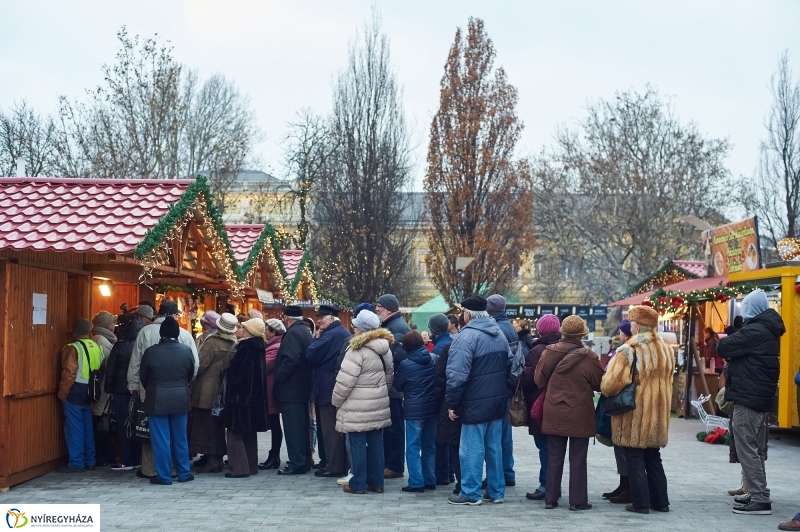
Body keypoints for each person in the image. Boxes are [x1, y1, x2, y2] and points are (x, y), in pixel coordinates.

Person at [601, 305, 674, 514]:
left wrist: (604, 382)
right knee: (653, 457)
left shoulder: (629, 350)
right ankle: (661, 502)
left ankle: (640, 503)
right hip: (658, 414)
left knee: (634, 457)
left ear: (638, 328)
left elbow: (611, 385)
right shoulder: (666, 350)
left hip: (634, 415)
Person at [717, 289, 784, 516]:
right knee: (754, 448)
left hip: (749, 397)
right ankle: (757, 492)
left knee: (747, 448)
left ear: (750, 309)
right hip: (757, 396)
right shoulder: (766, 329)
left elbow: (723, 347)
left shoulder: (755, 330)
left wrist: (735, 352)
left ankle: (760, 498)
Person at [445, 296, 514, 506]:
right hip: (497, 400)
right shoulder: (499, 333)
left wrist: (452, 403)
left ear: (467, 314)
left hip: (474, 402)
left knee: (471, 449)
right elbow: (510, 364)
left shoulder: (466, 337)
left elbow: (456, 375)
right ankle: (496, 491)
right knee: (494, 448)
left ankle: (470, 491)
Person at [535, 315, 604, 511]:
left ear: (562, 332)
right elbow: (600, 383)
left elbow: (539, 380)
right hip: (580, 411)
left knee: (554, 456)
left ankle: (550, 498)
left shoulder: (548, 353)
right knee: (578, 457)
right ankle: (578, 501)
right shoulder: (589, 357)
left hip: (554, 409)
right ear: (582, 335)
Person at [128, 300, 198, 479]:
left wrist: (139, 387)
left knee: (160, 438)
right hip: (181, 396)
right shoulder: (186, 345)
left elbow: (140, 370)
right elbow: (193, 369)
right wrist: (184, 383)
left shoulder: (149, 345)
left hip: (155, 396)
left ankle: (163, 476)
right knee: (180, 437)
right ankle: (183, 472)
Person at [332, 310, 394, 494]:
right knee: (376, 443)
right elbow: (389, 376)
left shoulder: (356, 349)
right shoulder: (384, 348)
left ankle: (358, 483)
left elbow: (345, 381)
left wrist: (336, 401)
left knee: (357, 443)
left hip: (356, 405)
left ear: (361, 328)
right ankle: (377, 482)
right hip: (378, 403)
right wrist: (380, 394)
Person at [306, 304, 352, 478]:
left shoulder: (331, 334)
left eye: (322, 318)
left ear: (332, 318)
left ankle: (334, 466)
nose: (318, 321)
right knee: (335, 428)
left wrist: (316, 338)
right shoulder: (341, 332)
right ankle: (335, 463)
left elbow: (311, 353)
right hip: (332, 386)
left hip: (328, 387)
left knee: (330, 429)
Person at [190, 313, 238, 473]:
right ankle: (214, 457)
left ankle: (212, 460)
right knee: (216, 425)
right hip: (222, 390)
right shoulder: (234, 343)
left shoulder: (212, 342)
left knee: (205, 425)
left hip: (205, 389)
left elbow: (200, 365)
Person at [520, 313, 561, 501]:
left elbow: (527, 379)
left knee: (544, 447)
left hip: (540, 404)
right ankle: (553, 485)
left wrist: (513, 378)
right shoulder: (563, 347)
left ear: (541, 330)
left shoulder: (537, 351)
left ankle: (546, 485)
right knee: (553, 447)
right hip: (559, 404)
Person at [224, 318, 269, 478]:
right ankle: (251, 465)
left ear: (250, 331)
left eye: (243, 328)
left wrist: (226, 372)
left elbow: (236, 372)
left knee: (235, 432)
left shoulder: (245, 347)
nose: (240, 330)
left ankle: (239, 468)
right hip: (255, 397)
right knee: (250, 433)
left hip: (240, 397)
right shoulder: (259, 347)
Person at [57, 319, 104, 473]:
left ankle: (76, 463)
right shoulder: (97, 347)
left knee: (75, 427)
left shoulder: (73, 348)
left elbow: (69, 373)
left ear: (75, 331)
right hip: (91, 391)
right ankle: (90, 460)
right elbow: (101, 369)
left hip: (75, 390)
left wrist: (63, 394)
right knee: (87, 427)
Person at [395, 331, 438, 493]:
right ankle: (430, 479)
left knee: (413, 446)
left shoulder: (405, 365)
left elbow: (398, 386)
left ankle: (416, 482)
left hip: (414, 410)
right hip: (432, 407)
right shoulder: (433, 359)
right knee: (429, 445)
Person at [486, 294, 522, 488]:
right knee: (505, 435)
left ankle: (499, 474)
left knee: (495, 435)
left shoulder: (496, 328)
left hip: (499, 385)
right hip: (510, 385)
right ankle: (508, 472)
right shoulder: (510, 327)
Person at [274, 305, 313, 475]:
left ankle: (297, 462)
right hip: (302, 387)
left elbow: (290, 359)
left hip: (292, 389)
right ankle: (304, 460)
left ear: (286, 318)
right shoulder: (304, 331)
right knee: (302, 427)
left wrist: (279, 377)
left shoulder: (293, 333)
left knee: (293, 428)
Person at [375, 293, 410, 479]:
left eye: (379, 306)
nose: (377, 309)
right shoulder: (391, 325)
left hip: (394, 387)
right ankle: (390, 463)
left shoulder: (396, 328)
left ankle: (395, 465)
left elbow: (397, 356)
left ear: (388, 309)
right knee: (390, 427)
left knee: (394, 427)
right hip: (391, 384)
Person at [105, 315, 145, 470]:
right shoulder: (143, 346)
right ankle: (137, 458)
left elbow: (111, 369)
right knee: (138, 424)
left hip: (120, 391)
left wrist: (108, 389)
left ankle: (127, 459)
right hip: (138, 391)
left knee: (124, 425)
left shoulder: (119, 346)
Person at [601, 319, 633, 504]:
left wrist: (605, 385)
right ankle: (623, 484)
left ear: (626, 335)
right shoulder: (623, 350)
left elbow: (614, 380)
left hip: (623, 404)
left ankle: (628, 487)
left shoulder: (625, 352)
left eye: (621, 332)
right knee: (620, 446)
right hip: (626, 404)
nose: (619, 335)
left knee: (624, 447)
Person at [428, 313, 455, 486]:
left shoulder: (438, 349)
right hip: (452, 394)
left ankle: (442, 474)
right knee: (450, 437)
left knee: (441, 437)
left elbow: (437, 377)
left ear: (433, 330)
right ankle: (450, 472)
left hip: (443, 396)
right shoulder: (452, 341)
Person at [90, 311, 117, 467]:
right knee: (101, 423)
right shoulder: (101, 341)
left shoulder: (100, 338)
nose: (114, 325)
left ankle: (103, 455)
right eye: (112, 322)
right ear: (106, 325)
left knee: (101, 422)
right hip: (103, 388)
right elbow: (107, 365)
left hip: (102, 387)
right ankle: (102, 455)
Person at [434, 341, 461, 494]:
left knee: (455, 443)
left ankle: (462, 482)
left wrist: (443, 403)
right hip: (477, 402)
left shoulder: (450, 347)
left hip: (453, 402)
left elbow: (441, 378)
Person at [259, 318, 286, 470]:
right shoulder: (272, 345)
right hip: (270, 388)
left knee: (274, 424)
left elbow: (263, 366)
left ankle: (274, 455)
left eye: (266, 330)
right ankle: (273, 455)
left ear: (273, 332)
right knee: (274, 423)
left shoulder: (275, 347)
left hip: (270, 390)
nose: (264, 332)